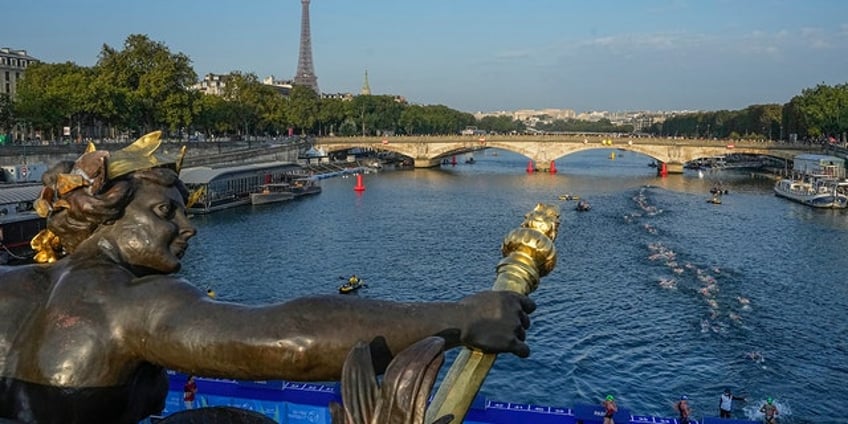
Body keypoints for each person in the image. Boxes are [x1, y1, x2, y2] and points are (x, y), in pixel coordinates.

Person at [0, 132, 536, 424]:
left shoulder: (17, 284)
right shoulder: (127, 300)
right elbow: (290, 342)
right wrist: (463, 317)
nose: (189, 228)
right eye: (166, 213)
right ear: (109, 216)